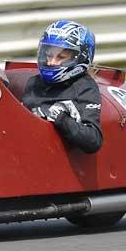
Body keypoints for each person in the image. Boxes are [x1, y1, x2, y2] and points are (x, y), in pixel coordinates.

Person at [21, 20, 103, 154]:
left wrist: (61, 119)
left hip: (59, 162)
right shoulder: (34, 83)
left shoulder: (85, 88)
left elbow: (93, 140)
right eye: (49, 55)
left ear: (81, 57)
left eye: (61, 57)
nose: (51, 62)